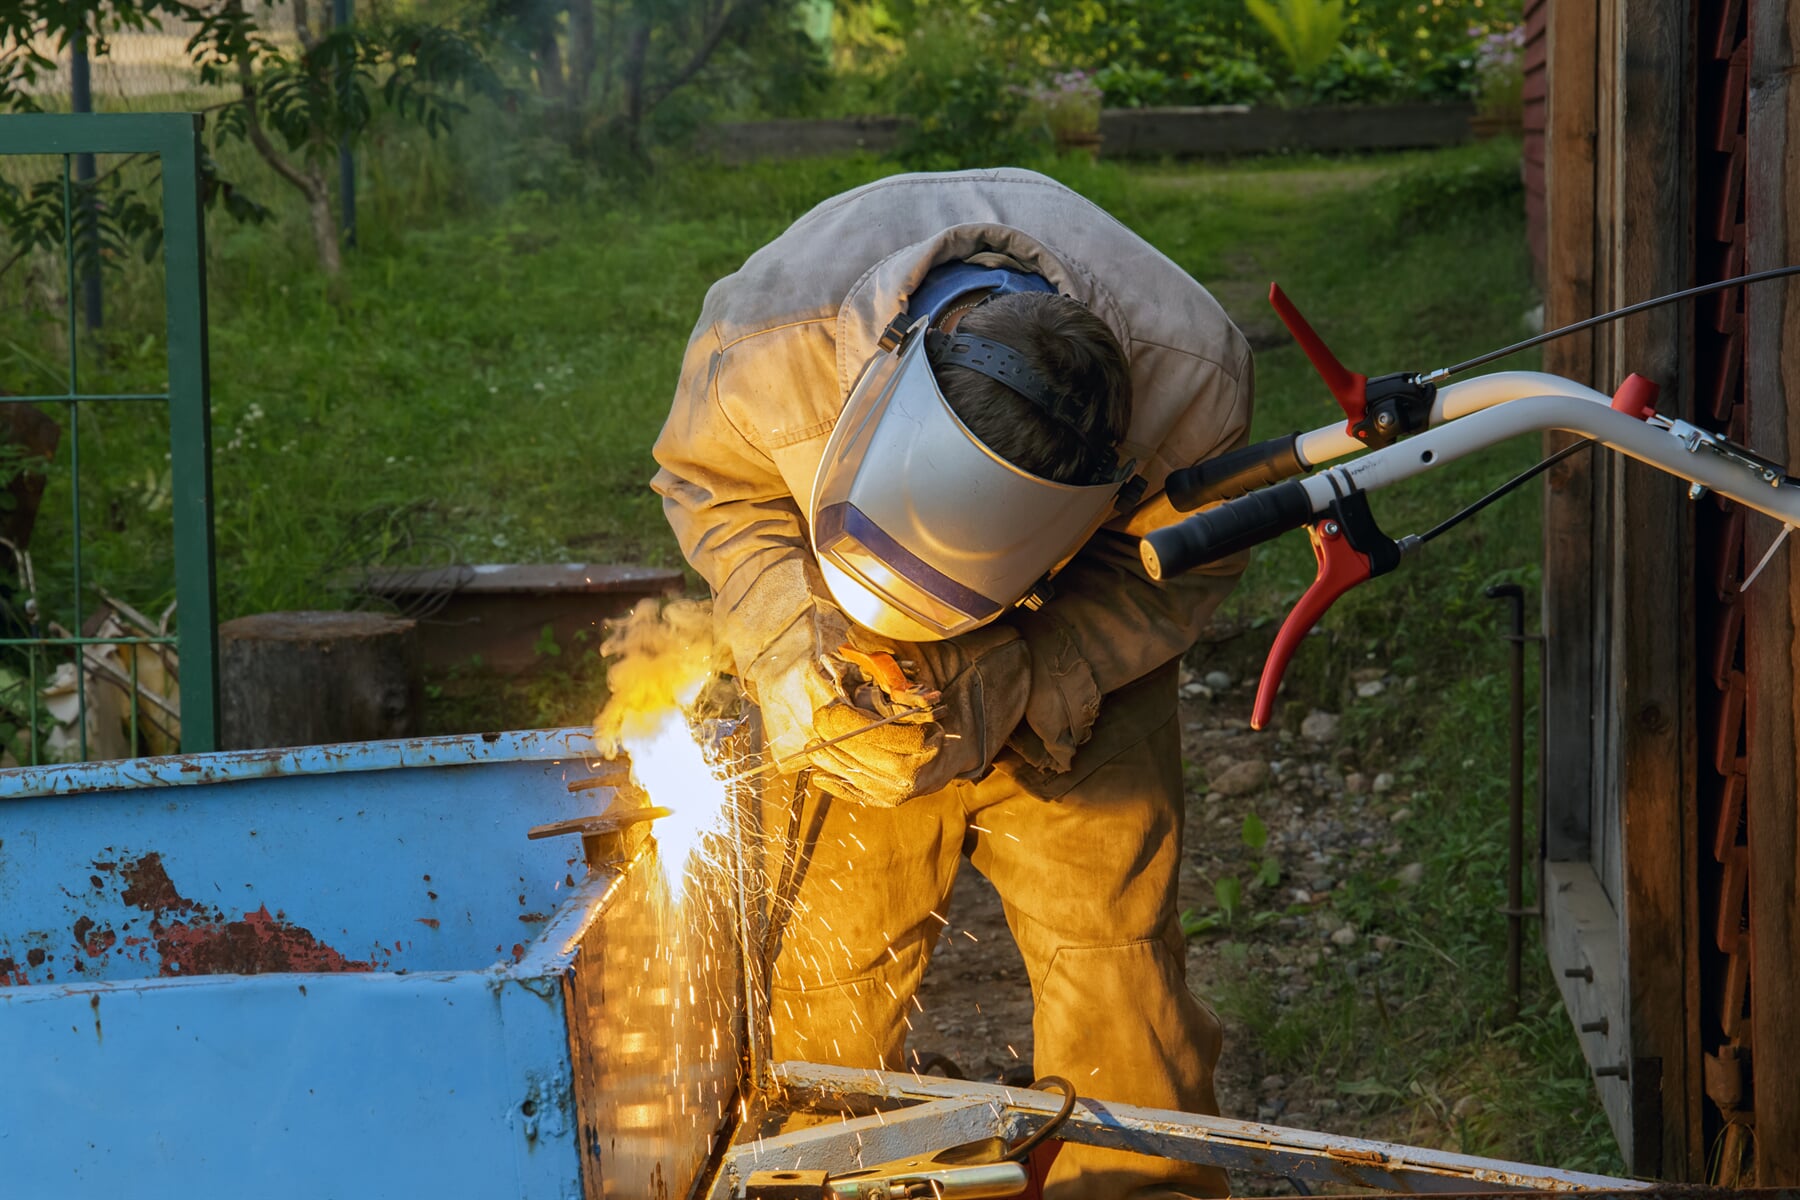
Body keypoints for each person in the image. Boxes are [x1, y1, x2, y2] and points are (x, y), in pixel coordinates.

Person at [652, 167, 1254, 1198]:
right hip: (851, 662)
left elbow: (1177, 569)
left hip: (1071, 641)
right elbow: (715, 488)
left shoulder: (1192, 384)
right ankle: (806, 1179)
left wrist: (1033, 678)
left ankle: (1137, 1183)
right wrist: (798, 654)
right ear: (882, 386)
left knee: (1117, 965)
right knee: (830, 973)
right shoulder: (764, 347)